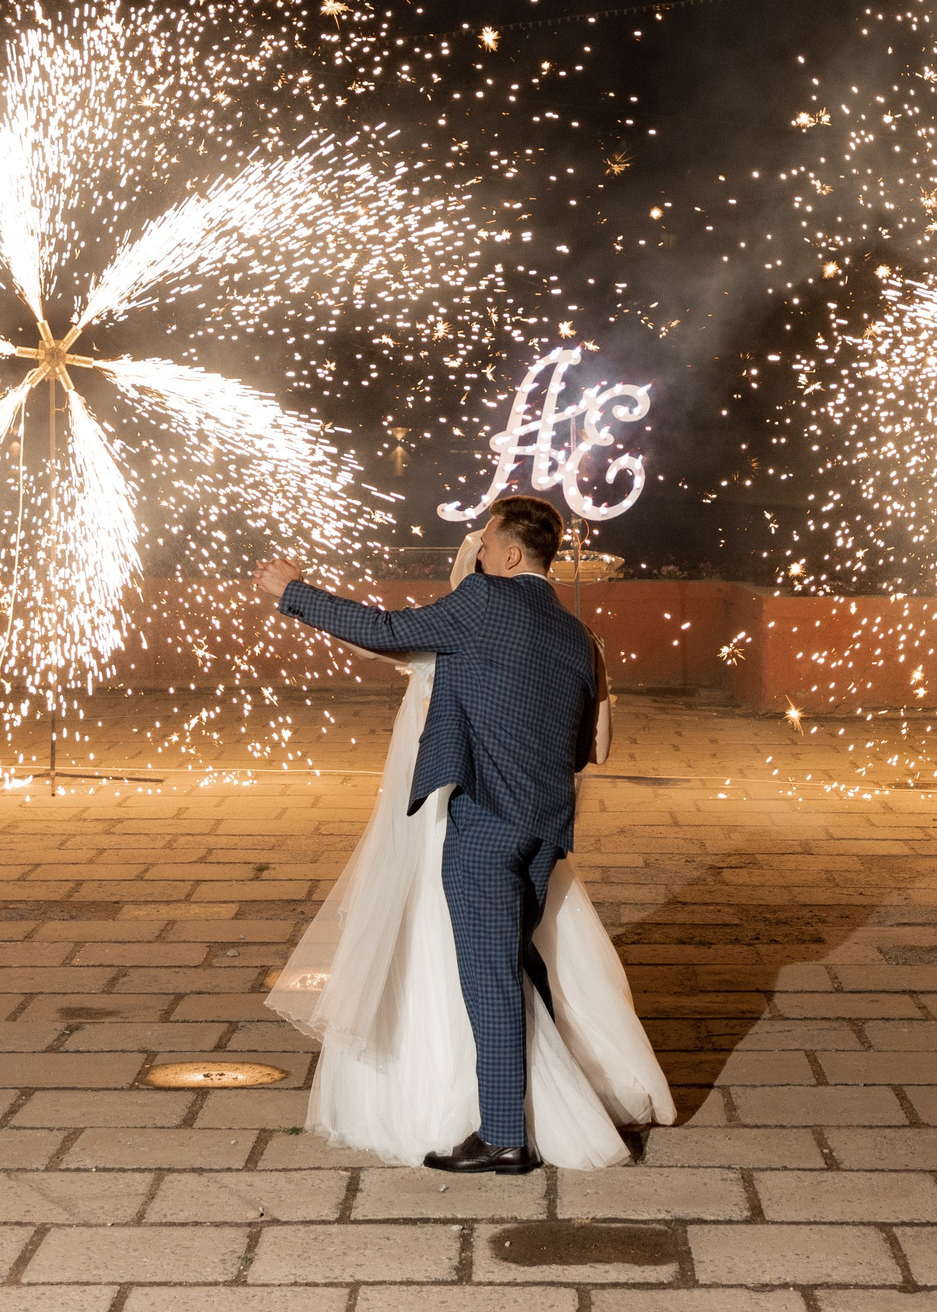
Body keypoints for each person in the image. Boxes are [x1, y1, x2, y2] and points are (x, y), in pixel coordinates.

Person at [255, 496, 673, 1172]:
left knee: (489, 979)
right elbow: (581, 747)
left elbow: (387, 628)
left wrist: (293, 592)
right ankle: (552, 1101)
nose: (477, 557)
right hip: (545, 827)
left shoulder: (485, 599)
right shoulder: (575, 635)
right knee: (516, 967)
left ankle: (505, 1134)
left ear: (510, 554)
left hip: (483, 824)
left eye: (485, 546)